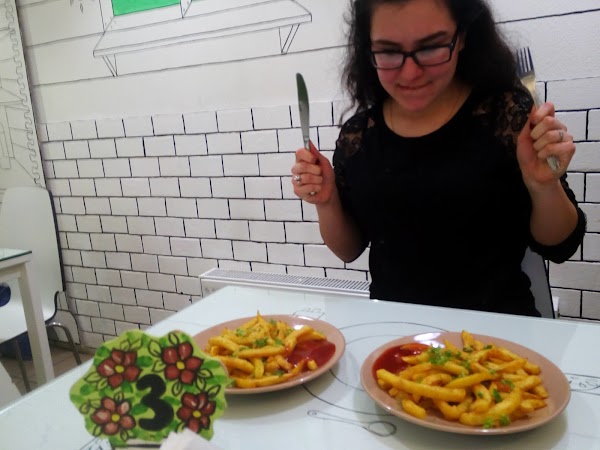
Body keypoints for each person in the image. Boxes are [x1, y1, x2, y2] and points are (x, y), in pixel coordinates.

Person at [290, 0, 586, 316]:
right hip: (395, 332)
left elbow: (560, 245)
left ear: (462, 37)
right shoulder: (360, 135)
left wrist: (543, 186)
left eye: (431, 47)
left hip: (496, 333)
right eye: (388, 51)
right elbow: (348, 250)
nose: (411, 72)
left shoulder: (505, 116)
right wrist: (327, 202)